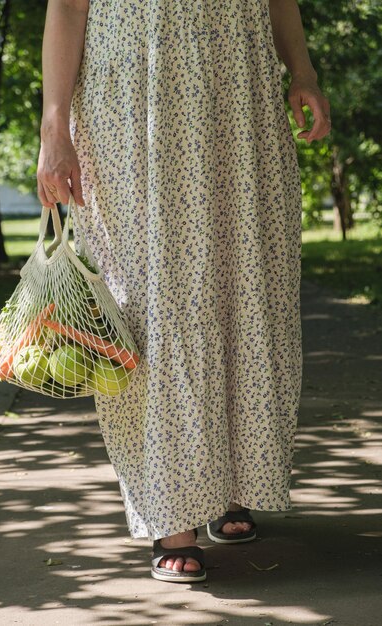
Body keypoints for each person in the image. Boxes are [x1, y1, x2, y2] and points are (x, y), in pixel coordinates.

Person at [37, 0, 331, 583]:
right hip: (132, 109)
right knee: (152, 302)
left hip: (239, 102)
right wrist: (54, 128)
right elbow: (68, 6)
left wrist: (303, 72)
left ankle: (233, 484)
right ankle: (173, 514)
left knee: (246, 291)